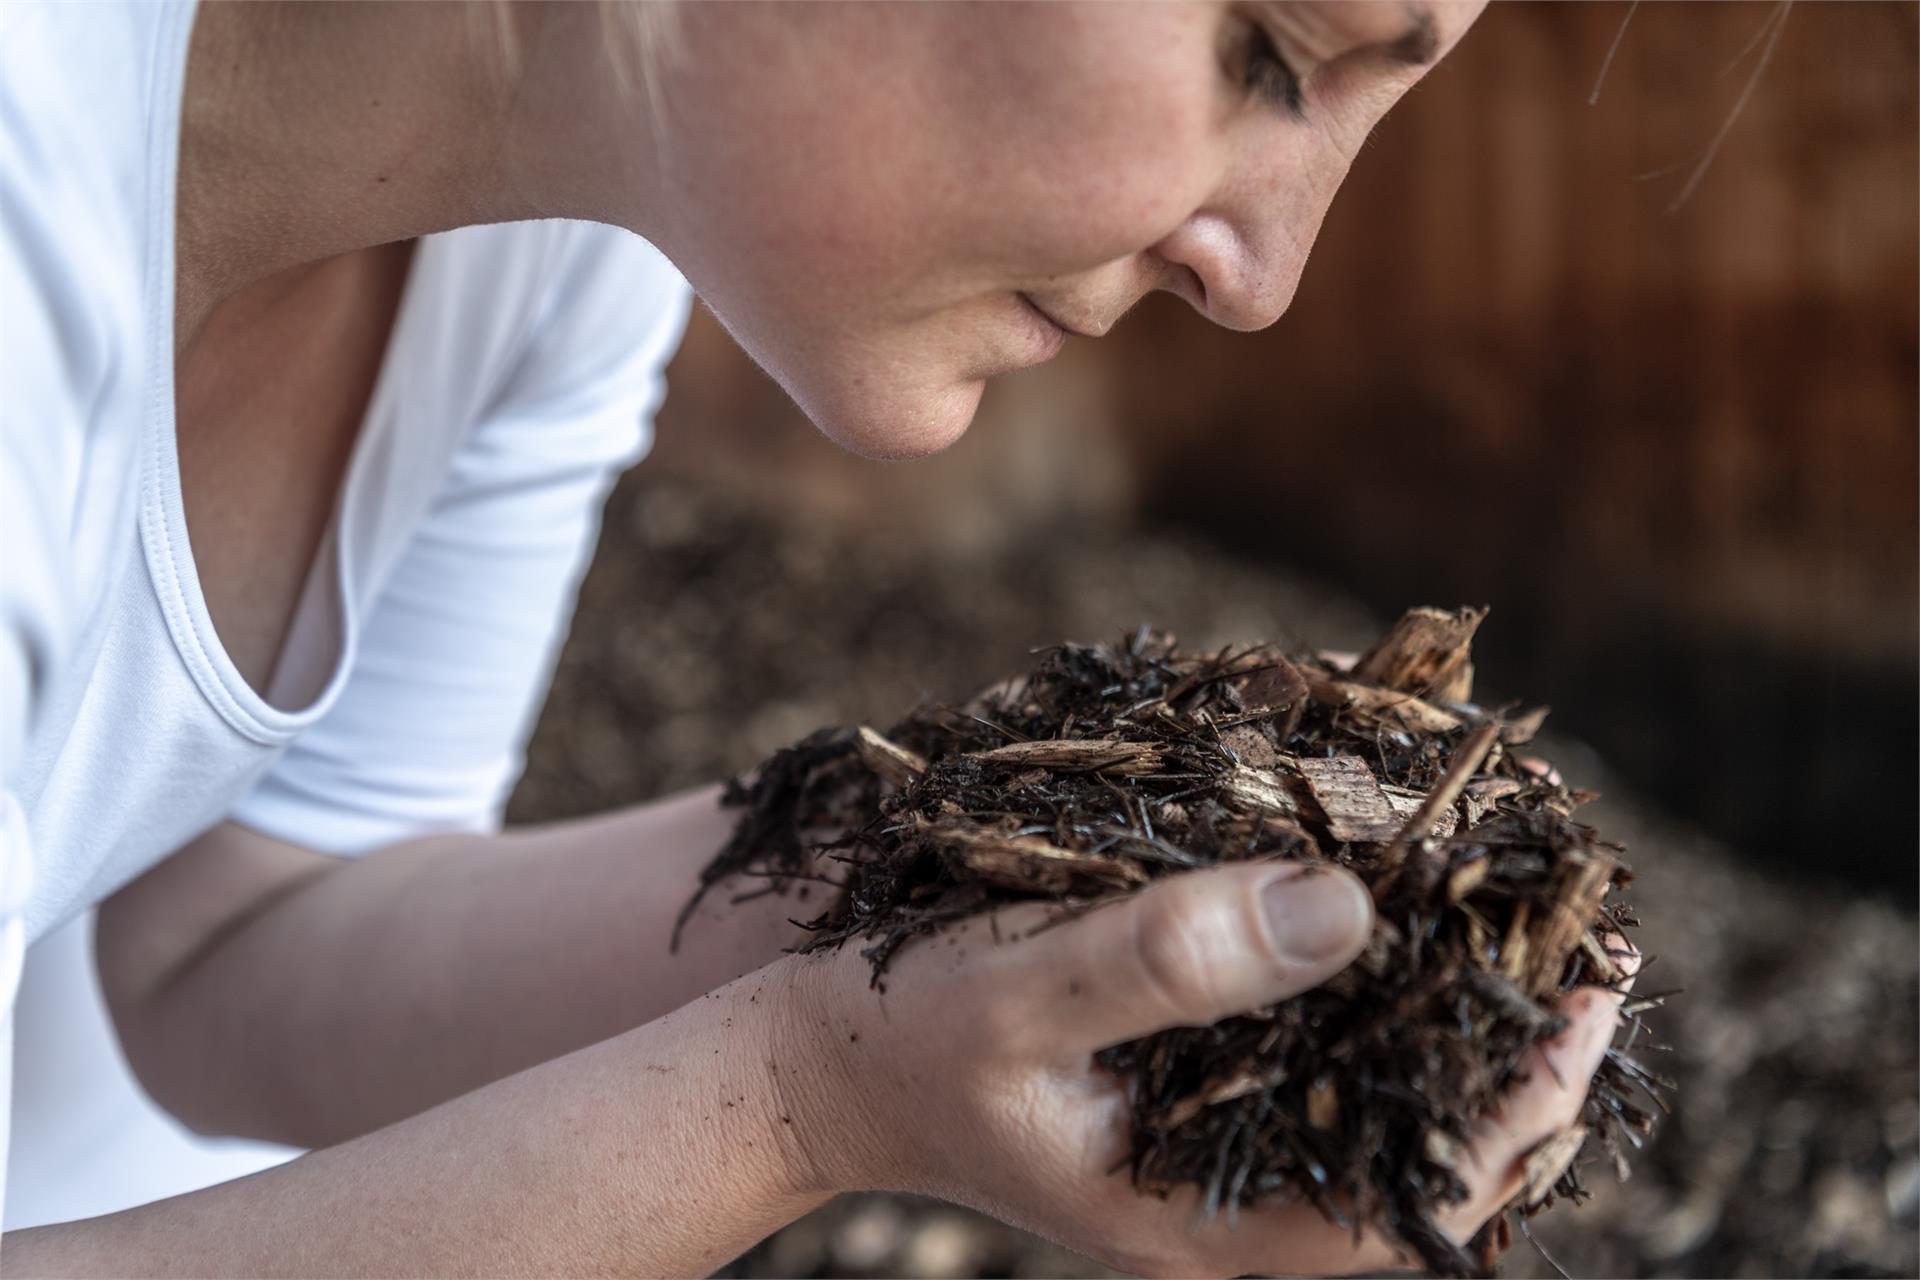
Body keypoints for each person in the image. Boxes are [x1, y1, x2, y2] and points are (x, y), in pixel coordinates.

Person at [1, 2, 1631, 1274]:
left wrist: (977, 859)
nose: (1262, 278)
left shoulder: (560, 207)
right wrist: (795, 1105)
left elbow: (237, 944)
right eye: (1267, 51)